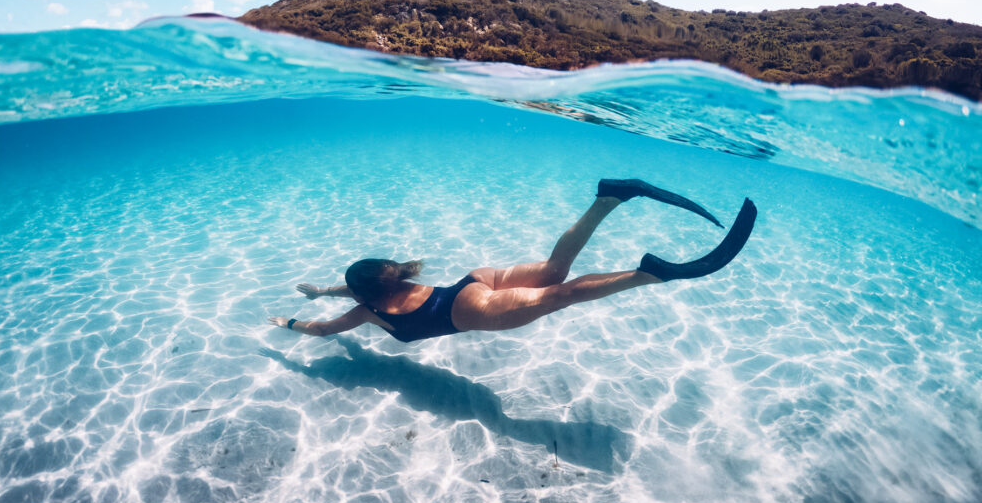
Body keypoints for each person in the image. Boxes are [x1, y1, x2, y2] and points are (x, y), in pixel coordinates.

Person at [268, 179, 757, 343]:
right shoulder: (384, 283)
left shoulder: (367, 311)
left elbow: (325, 330)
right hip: (471, 283)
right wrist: (318, 290)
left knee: (558, 295)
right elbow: (347, 293)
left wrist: (289, 322)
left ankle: (650, 274)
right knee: (553, 270)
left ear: (364, 295)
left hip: (470, 312)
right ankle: (607, 199)